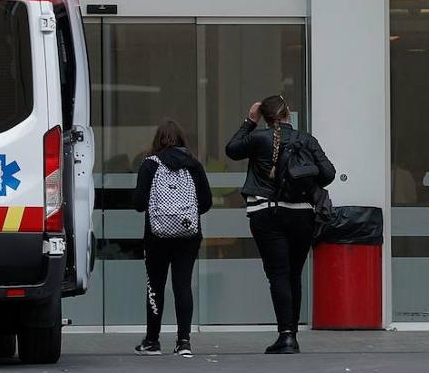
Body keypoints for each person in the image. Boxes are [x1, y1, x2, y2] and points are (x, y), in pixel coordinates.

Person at [226, 95, 335, 355]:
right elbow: (329, 174)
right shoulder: (305, 139)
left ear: (265, 117)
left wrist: (249, 121)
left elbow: (232, 149)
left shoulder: (258, 138)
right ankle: (292, 336)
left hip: (266, 213)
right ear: (288, 114)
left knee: (278, 274)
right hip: (302, 215)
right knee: (293, 274)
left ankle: (285, 336)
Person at [132, 119, 212, 358]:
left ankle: (152, 341)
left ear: (157, 140)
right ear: (182, 140)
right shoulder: (194, 165)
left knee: (155, 286)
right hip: (188, 236)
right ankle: (184, 342)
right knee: (183, 285)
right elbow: (206, 203)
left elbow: (138, 204)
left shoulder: (149, 165)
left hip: (156, 235)